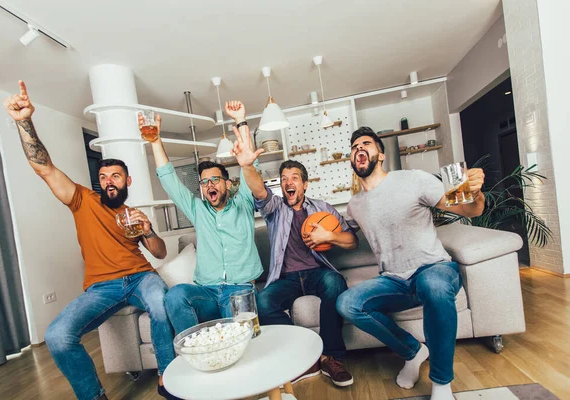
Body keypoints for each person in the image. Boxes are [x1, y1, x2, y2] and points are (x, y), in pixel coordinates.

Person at [3, 81, 176, 399]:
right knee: (57, 335)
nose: (109, 182)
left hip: (141, 278)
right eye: (104, 177)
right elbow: (45, 168)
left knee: (160, 303)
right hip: (102, 287)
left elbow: (160, 253)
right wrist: (24, 121)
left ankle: (168, 377)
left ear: (127, 180)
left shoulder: (132, 213)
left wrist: (148, 229)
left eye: (116, 176)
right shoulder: (82, 200)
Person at [336, 127, 485, 400]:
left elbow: (468, 210)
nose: (358, 148)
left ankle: (441, 383)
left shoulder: (414, 180)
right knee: (347, 304)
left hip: (434, 268)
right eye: (354, 146)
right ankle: (414, 351)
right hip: (394, 280)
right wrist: (326, 235)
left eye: (366, 144)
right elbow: (349, 238)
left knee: (434, 287)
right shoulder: (354, 204)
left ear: (380, 154)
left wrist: (474, 193)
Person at [225, 101, 358, 387]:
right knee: (261, 302)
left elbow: (351, 241)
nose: (289, 182)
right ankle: (314, 353)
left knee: (335, 283)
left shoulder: (323, 208)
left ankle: (332, 355)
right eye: (284, 179)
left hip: (316, 272)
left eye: (294, 177)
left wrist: (329, 236)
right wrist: (247, 162)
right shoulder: (274, 208)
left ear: (305, 184)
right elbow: (258, 188)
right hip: (285, 278)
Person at [142, 106, 263, 336]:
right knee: (176, 296)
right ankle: (196, 350)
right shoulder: (197, 209)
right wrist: (155, 141)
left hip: (240, 290)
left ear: (228, 184)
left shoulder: (244, 202)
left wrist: (241, 120)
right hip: (205, 292)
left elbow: (250, 165)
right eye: (205, 182)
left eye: (215, 180)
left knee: (241, 338)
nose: (209, 185)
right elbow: (169, 180)